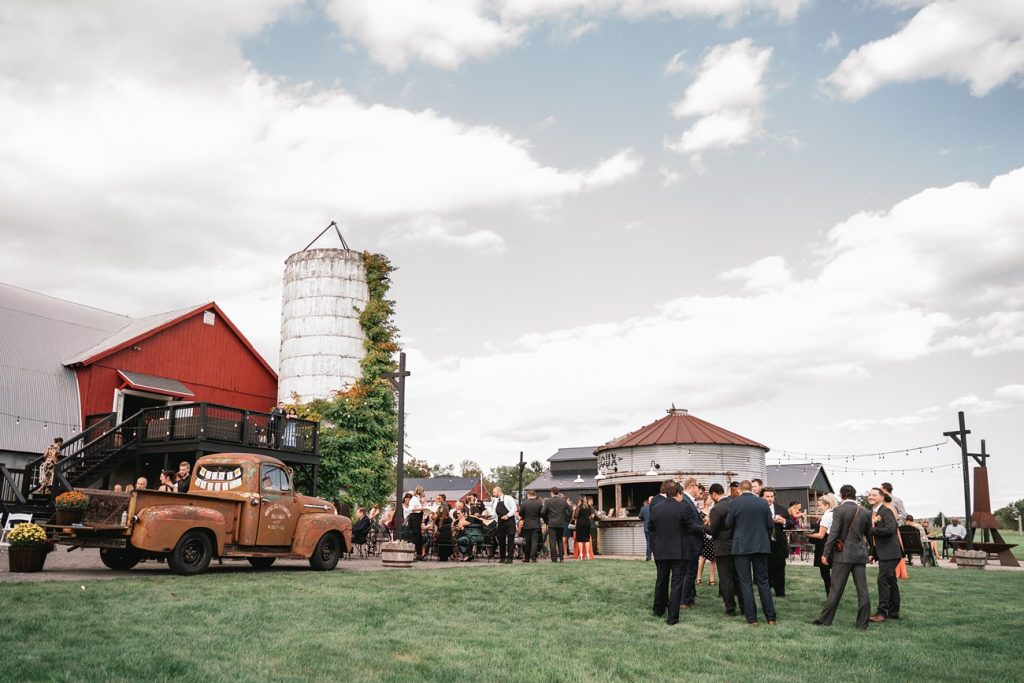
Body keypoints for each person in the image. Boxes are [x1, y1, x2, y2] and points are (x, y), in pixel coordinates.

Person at [814, 484, 872, 629]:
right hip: (859, 555)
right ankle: (862, 623)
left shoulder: (838, 510)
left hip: (842, 555)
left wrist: (825, 553)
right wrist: (872, 553)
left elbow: (833, 534)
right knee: (863, 590)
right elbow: (869, 534)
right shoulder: (865, 512)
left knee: (835, 589)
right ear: (854, 495)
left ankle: (825, 620)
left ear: (842, 496)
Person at [725, 480, 778, 626]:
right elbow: (769, 525)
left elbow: (728, 524)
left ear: (739, 490)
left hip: (741, 546)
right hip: (760, 545)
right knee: (763, 581)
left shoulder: (735, 503)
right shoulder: (763, 503)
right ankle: (771, 617)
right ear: (751, 490)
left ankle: (752, 618)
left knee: (745, 582)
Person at [649, 481, 687, 625]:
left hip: (661, 549)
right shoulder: (682, 508)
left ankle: (658, 609)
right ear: (677, 493)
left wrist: (654, 545)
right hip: (678, 550)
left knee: (661, 580)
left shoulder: (656, 508)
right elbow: (688, 526)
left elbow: (651, 527)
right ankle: (672, 617)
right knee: (676, 583)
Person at [708, 483, 741, 616]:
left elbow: (713, 530)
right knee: (738, 577)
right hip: (737, 545)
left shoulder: (717, 508)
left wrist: (703, 527)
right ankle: (745, 606)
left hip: (722, 547)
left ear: (714, 493)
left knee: (726, 578)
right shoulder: (735, 504)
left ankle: (730, 608)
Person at [869, 487, 901, 622]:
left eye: (874, 495)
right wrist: (872, 553)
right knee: (891, 582)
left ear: (881, 497)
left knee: (882, 580)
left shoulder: (886, 511)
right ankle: (893, 612)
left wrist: (872, 529)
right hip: (884, 552)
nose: (870, 497)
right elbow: (876, 539)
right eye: (870, 495)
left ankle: (881, 614)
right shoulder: (874, 512)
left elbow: (890, 529)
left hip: (890, 552)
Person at [762, 487, 793, 597]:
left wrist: (783, 521)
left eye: (771, 496)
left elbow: (791, 523)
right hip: (764, 544)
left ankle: (780, 593)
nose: (769, 499)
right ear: (762, 497)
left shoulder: (782, 509)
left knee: (780, 570)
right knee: (765, 570)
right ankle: (766, 593)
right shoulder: (759, 509)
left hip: (779, 544)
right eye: (767, 496)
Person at [805, 494, 837, 597]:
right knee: (830, 574)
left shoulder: (827, 516)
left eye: (820, 505)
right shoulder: (833, 514)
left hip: (824, 546)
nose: (818, 507)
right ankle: (832, 596)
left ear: (827, 505)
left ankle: (830, 597)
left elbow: (820, 535)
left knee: (825, 574)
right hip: (831, 545)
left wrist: (806, 533)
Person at [491, 486, 518, 564]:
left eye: (494, 492)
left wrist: (507, 515)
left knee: (510, 540)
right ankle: (502, 558)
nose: (493, 494)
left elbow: (514, 508)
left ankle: (510, 558)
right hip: (500, 522)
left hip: (509, 522)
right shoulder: (495, 501)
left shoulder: (508, 498)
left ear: (499, 491)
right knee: (501, 540)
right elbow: (494, 512)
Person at [541, 486, 568, 563]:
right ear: (558, 492)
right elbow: (570, 510)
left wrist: (546, 521)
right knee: (560, 540)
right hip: (561, 523)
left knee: (552, 541)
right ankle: (562, 558)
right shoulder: (563, 500)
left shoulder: (548, 501)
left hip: (551, 523)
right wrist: (566, 519)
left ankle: (554, 559)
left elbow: (542, 512)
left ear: (551, 492)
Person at [696, 485, 716, 586]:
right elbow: (700, 525)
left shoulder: (713, 511)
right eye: (709, 499)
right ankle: (699, 578)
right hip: (704, 536)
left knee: (713, 559)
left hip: (712, 536)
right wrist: (707, 521)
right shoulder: (700, 513)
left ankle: (712, 579)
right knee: (702, 558)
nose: (711, 500)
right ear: (705, 500)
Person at [519, 489, 543, 563]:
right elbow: (541, 513)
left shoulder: (524, 503)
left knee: (528, 542)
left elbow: (521, 513)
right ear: (535, 495)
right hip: (536, 524)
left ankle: (527, 557)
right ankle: (533, 557)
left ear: (528, 495)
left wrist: (524, 517)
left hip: (527, 525)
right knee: (535, 542)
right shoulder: (539, 503)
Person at [573, 495, 595, 560]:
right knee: (587, 539)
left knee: (580, 539)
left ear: (580, 500)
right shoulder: (589, 507)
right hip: (587, 524)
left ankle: (581, 554)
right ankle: (588, 554)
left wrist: (575, 510)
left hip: (580, 524)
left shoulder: (578, 507)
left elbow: (575, 516)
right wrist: (588, 518)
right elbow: (593, 516)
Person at [407, 486, 425, 560]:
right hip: (415, 518)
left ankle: (419, 554)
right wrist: (421, 508)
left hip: (417, 518)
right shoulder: (414, 499)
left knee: (419, 537)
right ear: (421, 492)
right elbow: (410, 509)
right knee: (416, 536)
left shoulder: (417, 499)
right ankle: (414, 554)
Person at [639, 496, 653, 561]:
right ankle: (657, 556)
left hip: (647, 528)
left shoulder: (643, 508)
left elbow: (640, 517)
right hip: (655, 528)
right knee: (655, 543)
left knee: (648, 542)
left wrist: (645, 519)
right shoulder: (657, 507)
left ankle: (648, 557)